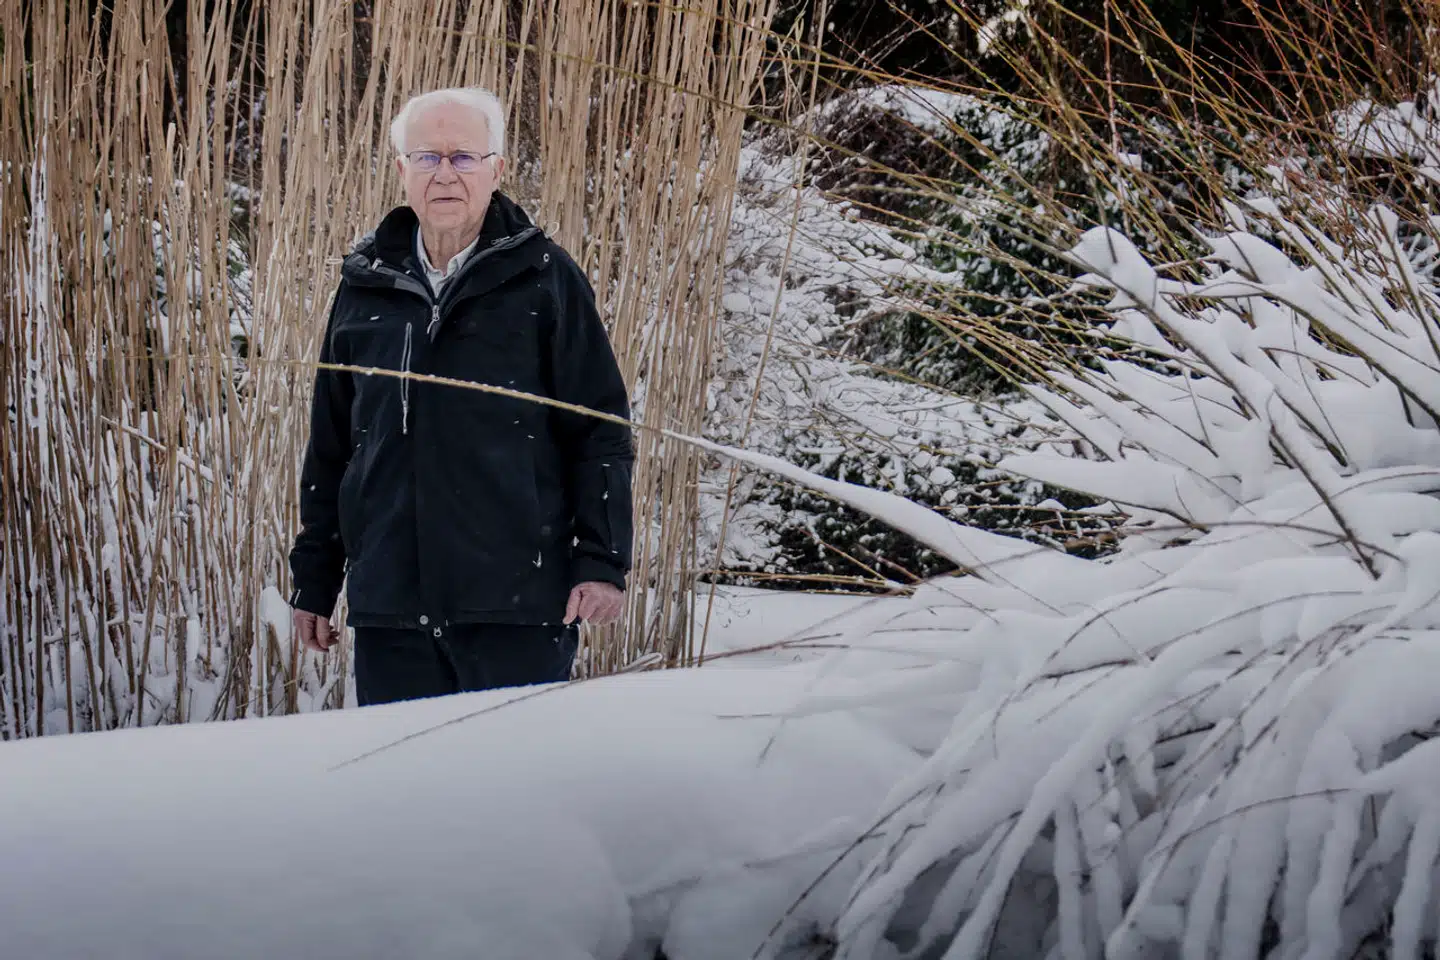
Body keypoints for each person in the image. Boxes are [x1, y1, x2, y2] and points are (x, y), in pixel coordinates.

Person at [287, 87, 634, 706]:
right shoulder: (366, 286)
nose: (444, 174)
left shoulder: (544, 278)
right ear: (402, 170)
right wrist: (315, 578)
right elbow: (334, 445)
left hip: (515, 606)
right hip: (391, 608)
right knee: (401, 770)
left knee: (509, 768)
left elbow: (599, 431)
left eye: (464, 157)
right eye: (427, 157)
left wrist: (601, 563)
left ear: (496, 169)